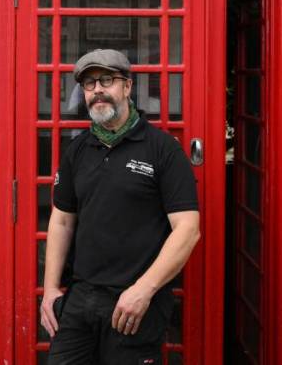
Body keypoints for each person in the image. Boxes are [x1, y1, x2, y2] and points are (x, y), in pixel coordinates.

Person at [40, 48, 200, 365]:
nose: (97, 89)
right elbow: (61, 222)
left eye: (107, 80)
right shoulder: (77, 151)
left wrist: (144, 289)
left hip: (135, 306)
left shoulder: (163, 149)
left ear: (126, 87)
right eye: (88, 83)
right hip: (80, 300)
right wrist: (49, 291)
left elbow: (188, 229)